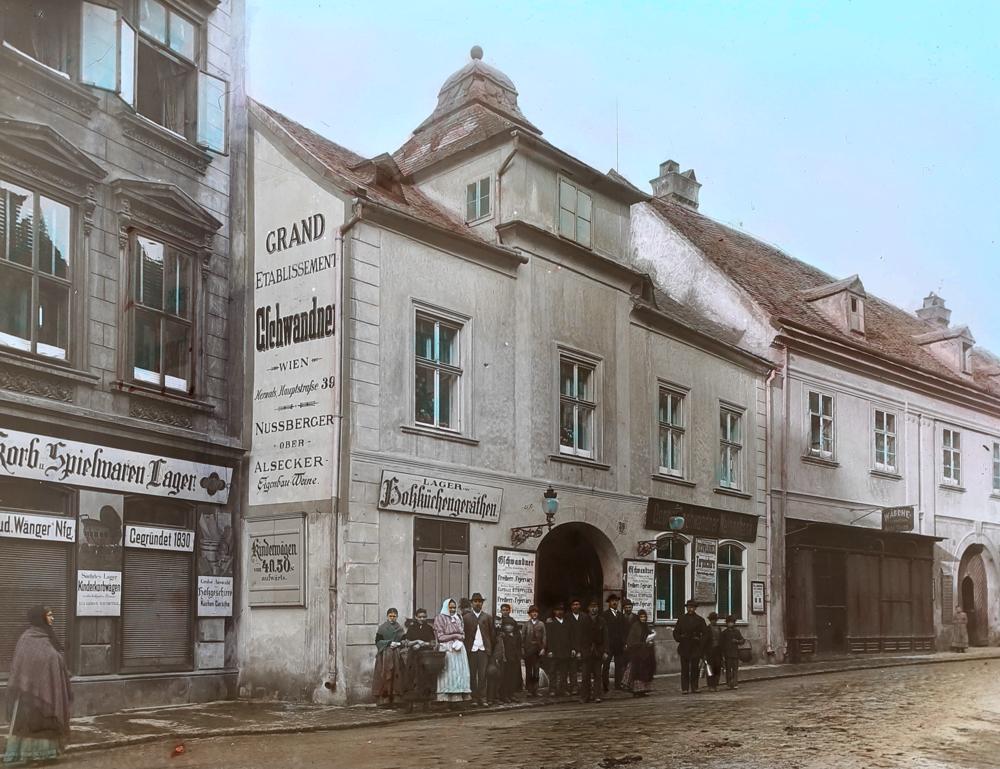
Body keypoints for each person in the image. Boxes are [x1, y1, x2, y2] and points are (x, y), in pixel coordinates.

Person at [3, 606, 71, 765]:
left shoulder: (48, 636)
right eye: (49, 615)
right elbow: (20, 667)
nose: (53, 618)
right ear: (40, 617)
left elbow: (52, 660)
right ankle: (28, 754)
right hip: (28, 695)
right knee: (30, 724)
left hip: (48, 691)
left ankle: (45, 754)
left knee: (45, 723)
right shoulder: (26, 639)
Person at [433, 598, 472, 706]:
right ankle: (445, 700)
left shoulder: (458, 617)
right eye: (450, 607)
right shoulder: (440, 618)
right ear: (446, 607)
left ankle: (457, 698)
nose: (453, 610)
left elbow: (462, 633)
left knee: (459, 673)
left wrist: (461, 637)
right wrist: (455, 636)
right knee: (448, 674)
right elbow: (440, 637)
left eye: (454, 607)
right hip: (447, 649)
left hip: (459, 649)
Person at [402, 609, 437, 711]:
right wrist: (416, 642)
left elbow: (433, 643)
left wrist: (423, 644)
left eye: (424, 617)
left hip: (425, 657)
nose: (422, 619)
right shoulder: (412, 628)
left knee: (425, 679)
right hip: (413, 657)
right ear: (416, 617)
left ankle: (426, 703)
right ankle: (410, 704)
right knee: (411, 678)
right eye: (420, 617)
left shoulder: (429, 628)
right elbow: (407, 642)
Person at [463, 592, 494, 706]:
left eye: (480, 602)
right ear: (471, 603)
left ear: (482, 603)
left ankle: (483, 697)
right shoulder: (466, 618)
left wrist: (489, 649)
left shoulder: (487, 617)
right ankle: (474, 698)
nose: (477, 604)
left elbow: (492, 634)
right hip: (471, 650)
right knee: (472, 675)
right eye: (475, 601)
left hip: (483, 650)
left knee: (482, 675)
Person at [372, 608, 405, 707]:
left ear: (397, 617)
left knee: (397, 674)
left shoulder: (400, 628)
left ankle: (396, 698)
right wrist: (388, 643)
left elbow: (404, 640)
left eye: (394, 616)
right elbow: (377, 642)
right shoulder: (382, 628)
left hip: (397, 654)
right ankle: (384, 699)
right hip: (384, 655)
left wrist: (399, 644)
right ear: (387, 616)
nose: (392, 618)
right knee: (385, 674)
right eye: (390, 616)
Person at [673, 599, 707, 694]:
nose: (690, 609)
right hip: (684, 647)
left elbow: (705, 634)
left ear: (695, 608)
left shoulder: (700, 620)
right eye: (689, 607)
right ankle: (685, 688)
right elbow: (676, 632)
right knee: (685, 669)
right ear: (686, 608)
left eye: (692, 607)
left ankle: (695, 687)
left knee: (695, 668)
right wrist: (680, 638)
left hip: (695, 647)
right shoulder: (681, 619)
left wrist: (700, 641)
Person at [623, 609, 656, 696]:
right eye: (641, 617)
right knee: (637, 672)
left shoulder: (646, 626)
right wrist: (643, 643)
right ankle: (636, 690)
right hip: (637, 653)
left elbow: (648, 636)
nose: (643, 618)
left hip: (645, 653)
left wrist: (650, 640)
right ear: (638, 617)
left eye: (644, 617)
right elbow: (631, 641)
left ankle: (643, 690)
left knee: (644, 672)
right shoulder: (635, 626)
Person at [578, 600, 606, 703]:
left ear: (598, 608)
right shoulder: (583, 620)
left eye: (595, 607)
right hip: (586, 652)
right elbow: (579, 637)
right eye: (591, 607)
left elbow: (606, 637)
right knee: (585, 676)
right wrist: (579, 651)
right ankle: (585, 696)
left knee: (598, 675)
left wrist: (605, 651)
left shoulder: (602, 621)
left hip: (598, 652)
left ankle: (597, 696)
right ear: (588, 609)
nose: (593, 609)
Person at [602, 593, 627, 693]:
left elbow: (624, 631)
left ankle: (618, 685)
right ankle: (605, 685)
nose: (614, 603)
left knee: (619, 665)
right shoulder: (605, 615)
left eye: (616, 601)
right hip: (608, 645)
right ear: (609, 603)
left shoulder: (621, 615)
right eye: (612, 601)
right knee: (606, 666)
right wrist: (604, 645)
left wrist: (624, 643)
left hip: (619, 645)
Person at [544, 603, 571, 696]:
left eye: (561, 610)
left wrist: (572, 649)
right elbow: (548, 638)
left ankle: (563, 689)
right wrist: (549, 650)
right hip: (554, 651)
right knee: (552, 671)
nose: (559, 612)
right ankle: (552, 689)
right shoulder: (550, 623)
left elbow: (570, 637)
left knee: (564, 671)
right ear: (554, 612)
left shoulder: (567, 623)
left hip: (565, 651)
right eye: (557, 610)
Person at [497, 603, 523, 694]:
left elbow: (518, 638)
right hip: (504, 652)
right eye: (503, 610)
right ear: (501, 611)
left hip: (513, 652)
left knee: (513, 674)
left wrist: (518, 653)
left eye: (506, 610)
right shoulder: (499, 621)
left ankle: (512, 693)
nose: (505, 612)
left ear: (509, 611)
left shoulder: (513, 621)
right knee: (504, 674)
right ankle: (503, 694)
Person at [521, 605, 546, 697]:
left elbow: (544, 637)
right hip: (528, 651)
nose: (534, 614)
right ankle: (529, 690)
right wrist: (522, 649)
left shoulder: (541, 624)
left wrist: (543, 648)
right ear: (529, 614)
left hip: (537, 651)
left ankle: (535, 690)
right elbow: (522, 637)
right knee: (528, 671)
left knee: (536, 671)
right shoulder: (526, 624)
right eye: (532, 612)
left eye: (536, 612)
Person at [565, 598, 586, 695]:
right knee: (572, 668)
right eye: (574, 605)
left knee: (585, 668)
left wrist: (582, 649)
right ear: (571, 607)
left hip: (584, 646)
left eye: (577, 604)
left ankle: (585, 687)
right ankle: (574, 687)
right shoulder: (567, 617)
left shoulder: (584, 617)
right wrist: (572, 648)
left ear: (580, 606)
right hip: (572, 647)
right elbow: (566, 634)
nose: (575, 606)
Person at [721, 614, 745, 690]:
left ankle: (735, 684)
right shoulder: (724, 633)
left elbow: (742, 640)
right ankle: (729, 684)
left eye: (732, 622)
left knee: (735, 669)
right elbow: (721, 644)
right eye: (729, 622)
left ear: (734, 623)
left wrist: (737, 641)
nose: (730, 624)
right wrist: (722, 654)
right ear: (726, 623)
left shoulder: (737, 632)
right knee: (728, 670)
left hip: (735, 653)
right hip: (727, 654)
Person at [703, 612, 724, 692]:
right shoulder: (707, 629)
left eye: (715, 620)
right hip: (710, 651)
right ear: (710, 620)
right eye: (712, 620)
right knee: (710, 669)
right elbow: (704, 641)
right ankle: (710, 685)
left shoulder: (719, 628)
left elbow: (721, 640)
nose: (713, 621)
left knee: (717, 668)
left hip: (718, 651)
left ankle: (716, 685)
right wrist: (704, 653)